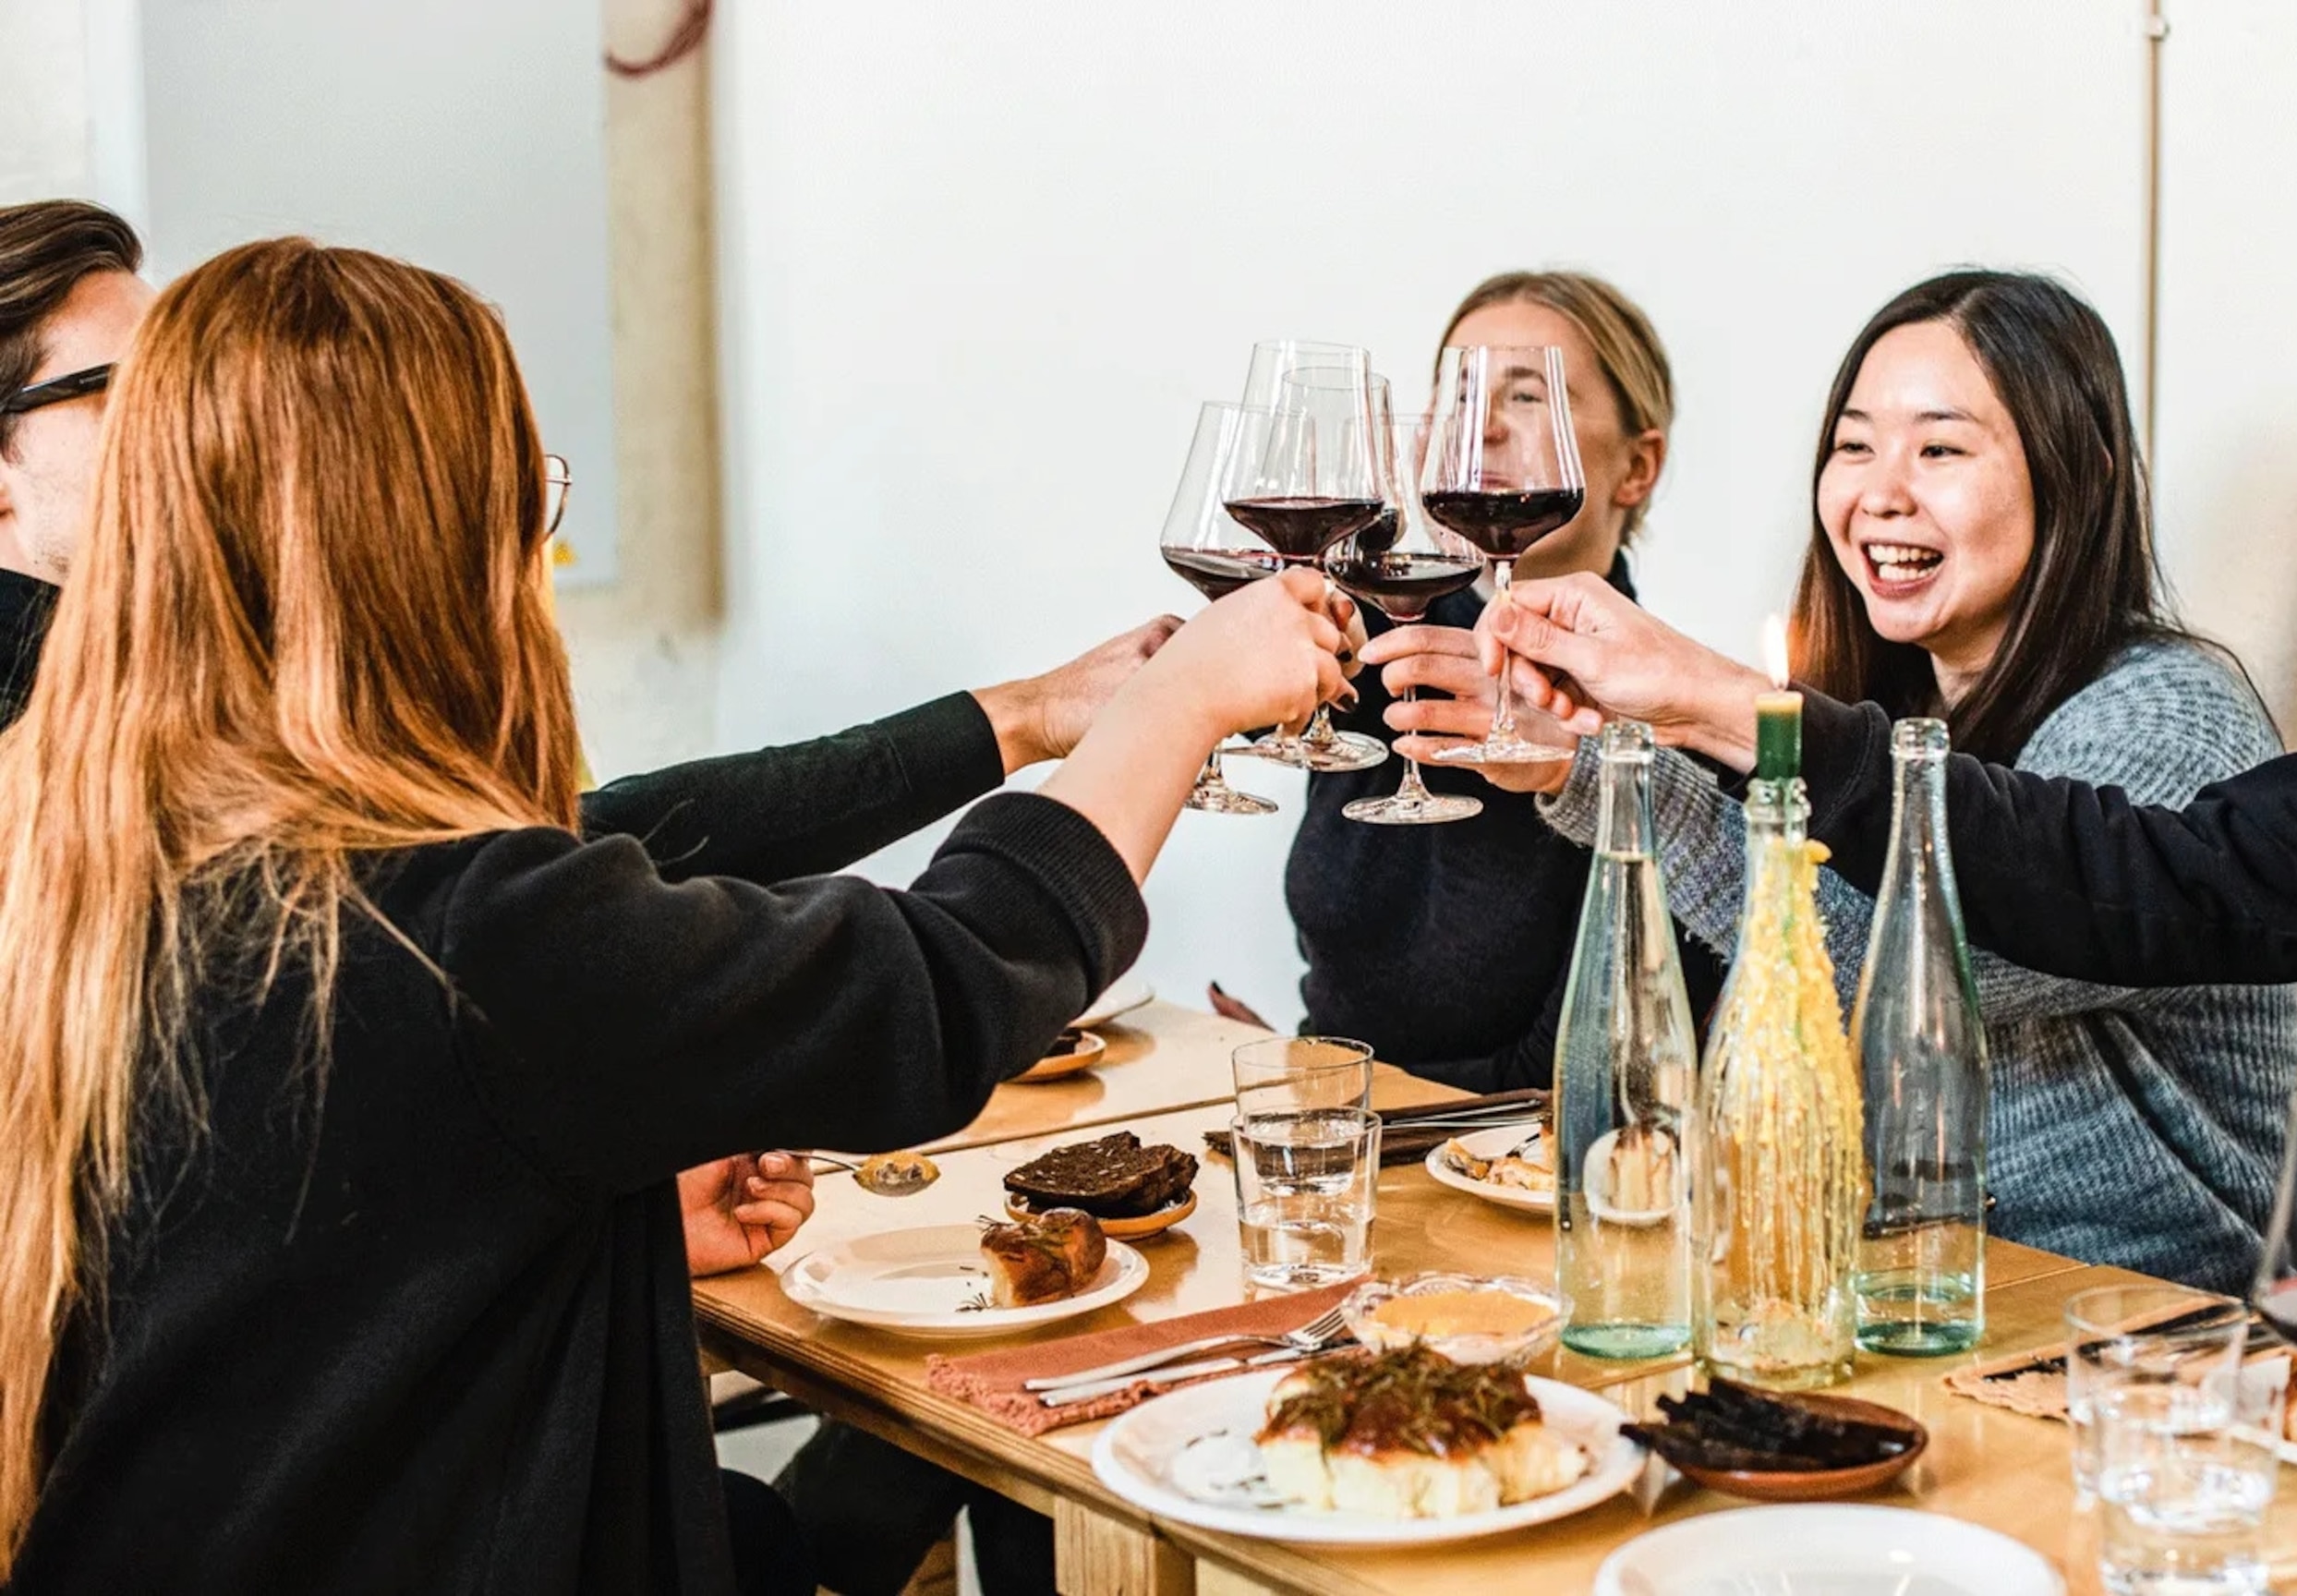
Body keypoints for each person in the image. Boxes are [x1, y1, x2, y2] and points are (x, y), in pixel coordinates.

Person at [0, 238, 1354, 1588]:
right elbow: (946, 981)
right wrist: (1178, 707)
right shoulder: (458, 927)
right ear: (435, 538)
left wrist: (591, 1215)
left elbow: (321, 1277)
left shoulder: (80, 854)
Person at [1475, 140, 2297, 1467]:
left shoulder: (2170, 703)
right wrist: (1702, 727)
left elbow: (1942, 967)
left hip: (2143, 1340)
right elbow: (2147, 885)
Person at [1391, 272, 2297, 1293]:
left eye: (1941, 448)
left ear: (2076, 473)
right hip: (1892, 1293)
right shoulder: (1896, 715)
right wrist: (1571, 761)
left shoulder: (2168, 716)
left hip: (2119, 1327)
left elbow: (1912, 956)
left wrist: (1701, 701)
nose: (1880, 492)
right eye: (1855, 445)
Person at [1256, 270, 1722, 1091]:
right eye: (1459, 395)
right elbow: (1336, 990)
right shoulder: (1363, 663)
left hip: (1503, 1176)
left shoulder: (1675, 725)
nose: (1484, 431)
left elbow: (1590, 1077)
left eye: (1530, 396)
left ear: (1637, 466)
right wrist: (1287, 1078)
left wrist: (1361, 1111)